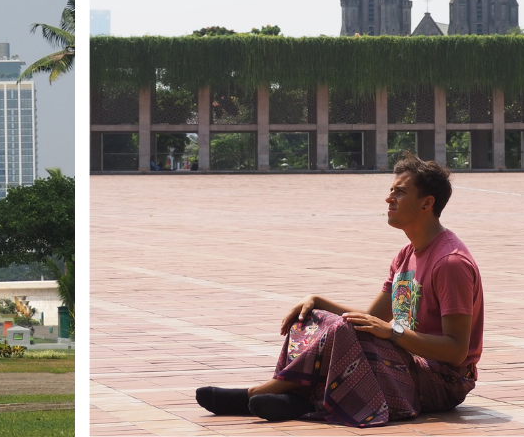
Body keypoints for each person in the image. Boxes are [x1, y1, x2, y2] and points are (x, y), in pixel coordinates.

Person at [194, 153, 484, 427]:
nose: (389, 198)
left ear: (426, 203)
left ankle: (255, 394)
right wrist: (319, 302)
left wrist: (391, 332)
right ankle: (295, 401)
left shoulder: (449, 263)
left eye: (400, 192)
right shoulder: (405, 255)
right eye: (391, 190)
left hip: (442, 381)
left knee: (344, 333)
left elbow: (456, 352)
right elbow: (370, 319)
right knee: (319, 318)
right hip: (404, 359)